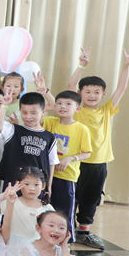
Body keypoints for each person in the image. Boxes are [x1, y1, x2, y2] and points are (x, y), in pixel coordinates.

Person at [67, 46, 129, 249]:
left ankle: (84, 232)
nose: (92, 95)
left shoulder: (106, 110)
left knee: (92, 198)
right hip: (76, 162)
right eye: (87, 92)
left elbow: (121, 89)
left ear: (103, 94)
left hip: (99, 164)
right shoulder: (76, 109)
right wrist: (81, 65)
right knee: (73, 196)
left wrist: (127, 66)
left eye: (97, 92)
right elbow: (70, 85)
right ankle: (68, 230)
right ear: (80, 93)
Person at [37, 90, 92, 237]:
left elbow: (87, 153)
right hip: (46, 174)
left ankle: (66, 239)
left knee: (64, 210)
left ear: (77, 108)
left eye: (68, 104)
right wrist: (46, 97)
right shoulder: (50, 122)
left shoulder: (82, 129)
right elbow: (36, 119)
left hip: (67, 176)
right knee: (44, 208)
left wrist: (70, 158)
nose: (63, 107)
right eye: (59, 103)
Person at [0, 92, 58, 193]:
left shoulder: (50, 137)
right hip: (13, 184)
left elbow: (51, 163)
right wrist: (4, 105)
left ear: (43, 112)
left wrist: (49, 186)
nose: (28, 116)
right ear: (20, 111)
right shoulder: (13, 130)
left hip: (36, 187)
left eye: (33, 113)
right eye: (24, 113)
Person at [0, 168, 54, 245]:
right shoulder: (12, 201)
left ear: (43, 186)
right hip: (12, 247)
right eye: (27, 184)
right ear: (18, 184)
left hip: (36, 249)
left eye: (36, 184)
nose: (32, 188)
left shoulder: (47, 208)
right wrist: (4, 195)